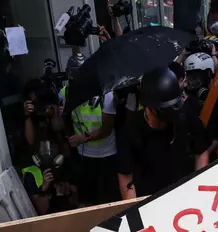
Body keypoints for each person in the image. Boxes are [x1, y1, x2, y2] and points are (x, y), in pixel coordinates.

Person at [116, 66, 210, 198]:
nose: (170, 116)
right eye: (164, 111)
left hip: (184, 196)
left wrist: (200, 190)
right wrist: (135, 212)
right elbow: (126, 179)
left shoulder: (185, 115)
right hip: (150, 202)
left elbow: (201, 151)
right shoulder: (130, 132)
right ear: (149, 108)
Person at [60, 76, 119, 205]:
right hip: (83, 155)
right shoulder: (65, 92)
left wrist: (83, 138)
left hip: (107, 153)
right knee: (88, 199)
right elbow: (64, 119)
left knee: (110, 198)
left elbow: (107, 128)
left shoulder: (106, 93)